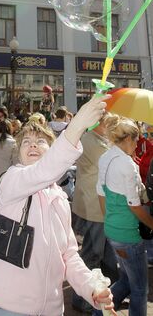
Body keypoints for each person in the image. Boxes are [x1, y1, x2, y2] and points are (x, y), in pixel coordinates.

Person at [0, 95, 116, 316]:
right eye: (26, 142)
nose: (33, 144)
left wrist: (91, 288)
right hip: (7, 308)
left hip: (52, 310)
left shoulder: (59, 198)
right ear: (19, 153)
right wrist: (78, 124)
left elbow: (70, 255)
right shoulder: (11, 180)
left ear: (51, 149)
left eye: (41, 141)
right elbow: (45, 170)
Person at [97, 115, 153, 316]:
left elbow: (101, 194)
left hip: (112, 229)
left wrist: (110, 220)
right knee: (139, 289)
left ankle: (99, 312)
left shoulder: (106, 156)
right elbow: (135, 206)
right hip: (128, 235)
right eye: (136, 139)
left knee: (127, 280)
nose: (138, 144)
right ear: (127, 139)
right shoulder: (127, 164)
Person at [71, 113, 118, 313]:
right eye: (110, 124)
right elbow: (108, 162)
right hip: (93, 207)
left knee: (108, 255)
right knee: (92, 254)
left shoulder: (99, 139)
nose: (112, 129)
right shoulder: (89, 139)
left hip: (100, 207)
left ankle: (114, 293)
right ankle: (80, 299)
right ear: (99, 123)